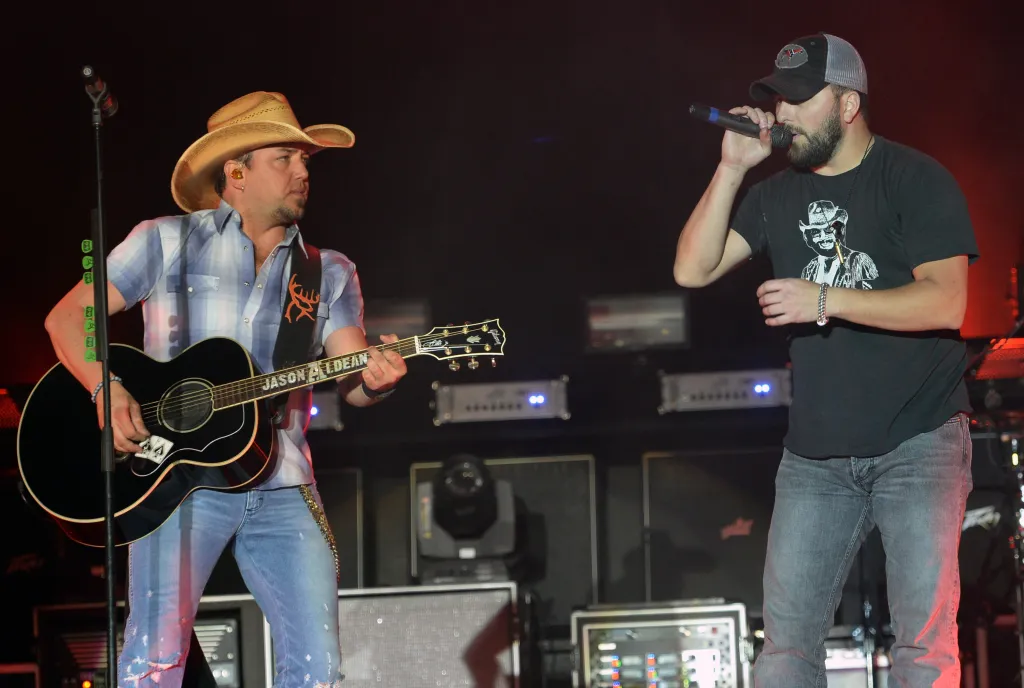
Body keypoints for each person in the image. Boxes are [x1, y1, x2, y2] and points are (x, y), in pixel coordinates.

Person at [43, 91, 408, 686]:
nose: (303, 172)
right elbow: (69, 317)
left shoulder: (329, 271)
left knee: (319, 669)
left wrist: (379, 380)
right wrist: (104, 388)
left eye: (307, 162)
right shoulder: (163, 241)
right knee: (154, 660)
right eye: (285, 159)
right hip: (177, 481)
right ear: (235, 171)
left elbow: (352, 379)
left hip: (284, 483)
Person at [673, 33, 978, 687]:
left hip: (918, 439)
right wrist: (732, 167)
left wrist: (824, 297)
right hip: (815, 456)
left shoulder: (914, 178)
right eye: (776, 102)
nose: (782, 116)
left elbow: (946, 303)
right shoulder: (775, 195)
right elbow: (692, 269)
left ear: (846, 104)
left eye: (798, 101)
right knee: (785, 651)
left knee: (924, 649)